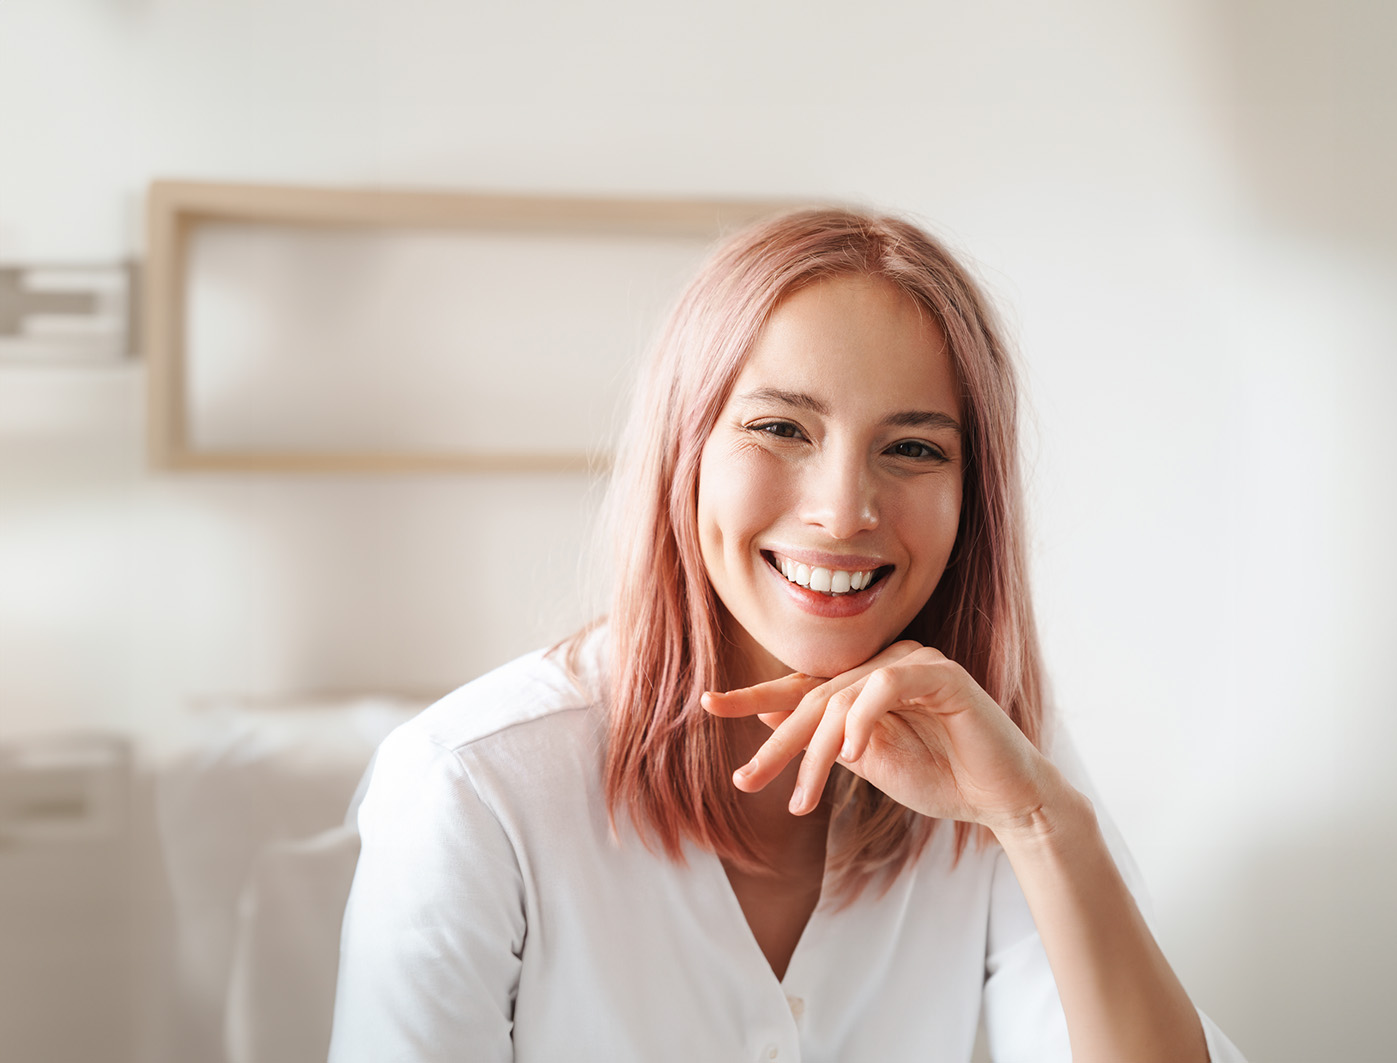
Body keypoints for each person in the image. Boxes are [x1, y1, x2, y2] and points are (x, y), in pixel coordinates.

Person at [327, 209, 1246, 1062]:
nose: (844, 511)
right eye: (780, 428)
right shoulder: (468, 790)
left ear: (975, 498)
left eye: (915, 447)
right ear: (684, 452)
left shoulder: (997, 759)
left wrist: (1042, 823)